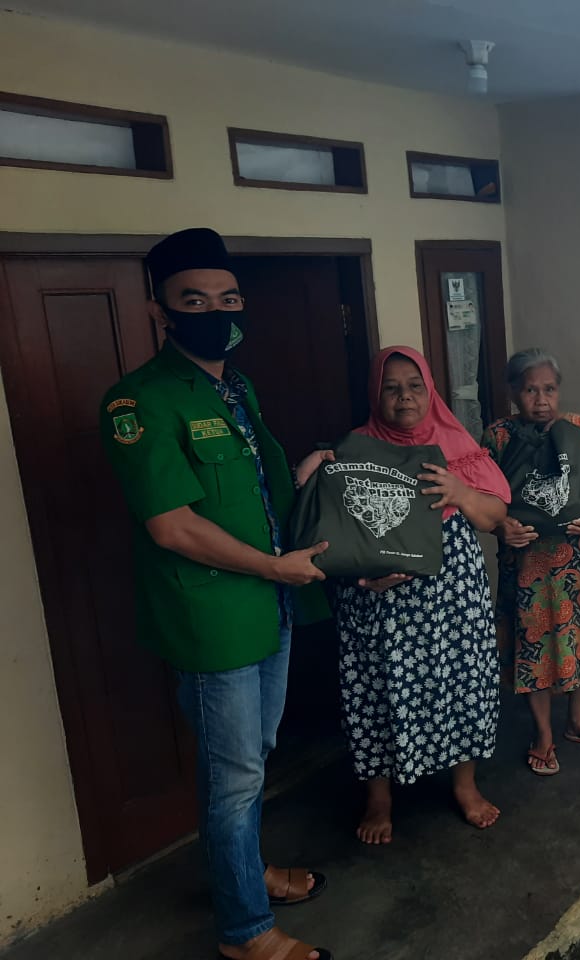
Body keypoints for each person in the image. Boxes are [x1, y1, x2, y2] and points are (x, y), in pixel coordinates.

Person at [99, 228, 333, 960]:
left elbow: (252, 495)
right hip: (212, 618)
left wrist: (300, 482)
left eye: (228, 299)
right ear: (159, 311)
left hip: (269, 606)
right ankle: (245, 931)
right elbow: (172, 525)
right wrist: (272, 567)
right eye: (193, 300)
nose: (216, 312)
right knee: (233, 778)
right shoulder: (137, 402)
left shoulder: (235, 388)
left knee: (249, 761)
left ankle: (245, 876)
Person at [297, 346, 510, 843]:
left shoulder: (455, 442)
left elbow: (495, 517)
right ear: (376, 394)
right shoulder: (353, 450)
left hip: (451, 591)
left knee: (462, 677)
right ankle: (379, 797)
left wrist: (460, 493)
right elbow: (332, 529)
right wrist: (367, 574)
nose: (404, 397)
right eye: (391, 388)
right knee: (378, 687)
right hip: (377, 599)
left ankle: (464, 785)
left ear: (430, 390)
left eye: (415, 386)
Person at [482, 349, 580, 776]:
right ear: (513, 392)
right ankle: (544, 733)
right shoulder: (497, 437)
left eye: (549, 389)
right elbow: (482, 500)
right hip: (530, 567)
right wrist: (500, 527)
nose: (541, 399)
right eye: (531, 390)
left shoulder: (579, 428)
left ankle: (579, 721)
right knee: (535, 648)